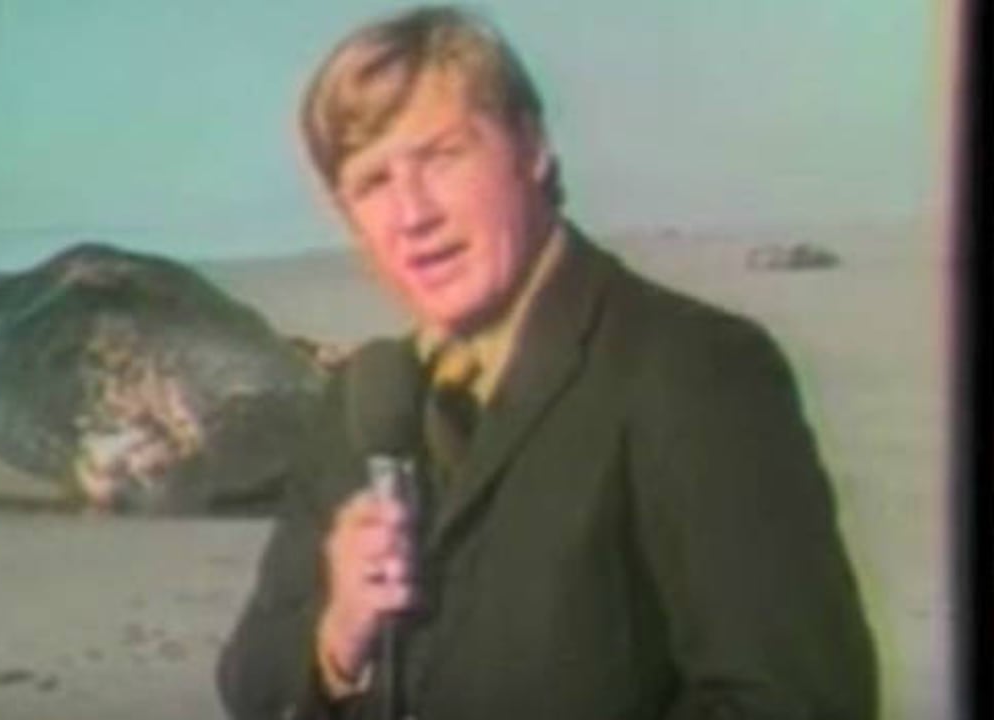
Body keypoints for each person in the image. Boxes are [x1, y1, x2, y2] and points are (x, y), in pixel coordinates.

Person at [217, 6, 877, 719]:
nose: (412, 214)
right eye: (373, 182)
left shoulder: (693, 372)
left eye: (442, 156)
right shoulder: (362, 402)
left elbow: (797, 701)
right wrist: (337, 640)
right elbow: (249, 687)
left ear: (530, 147)